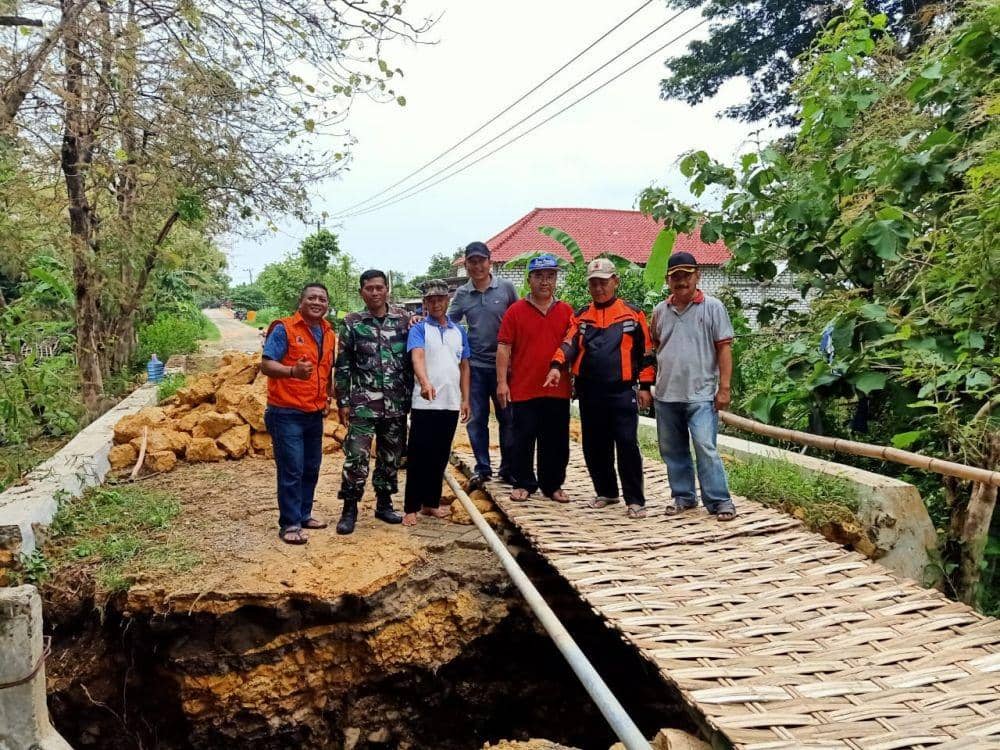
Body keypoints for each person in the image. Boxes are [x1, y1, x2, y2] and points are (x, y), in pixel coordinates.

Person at [543, 259, 655, 519]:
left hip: (622, 390)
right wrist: (556, 365)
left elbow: (647, 353)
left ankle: (635, 499)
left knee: (627, 443)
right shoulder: (581, 316)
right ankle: (606, 491)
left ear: (615, 281)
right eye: (593, 283)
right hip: (589, 390)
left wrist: (646, 386)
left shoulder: (632, 314)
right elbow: (569, 343)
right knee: (595, 444)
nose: (599, 287)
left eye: (603, 282)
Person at [650, 251, 737, 521]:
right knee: (672, 451)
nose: (681, 281)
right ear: (668, 280)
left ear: (697, 276)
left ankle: (720, 501)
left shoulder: (712, 307)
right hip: (666, 394)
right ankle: (684, 497)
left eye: (686, 275)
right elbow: (654, 348)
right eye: (675, 277)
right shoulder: (660, 311)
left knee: (705, 447)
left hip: (701, 394)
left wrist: (724, 387)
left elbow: (724, 348)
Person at [334, 270, 412, 534]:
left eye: (379, 287)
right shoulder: (352, 322)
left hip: (396, 403)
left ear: (387, 289)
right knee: (356, 457)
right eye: (369, 289)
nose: (375, 292)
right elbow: (343, 365)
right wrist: (342, 401)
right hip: (362, 404)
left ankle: (384, 503)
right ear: (362, 292)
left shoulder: (403, 320)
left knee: (390, 456)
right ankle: (350, 508)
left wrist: (411, 397)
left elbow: (413, 361)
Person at [260, 283, 336, 545]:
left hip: (313, 412)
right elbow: (266, 364)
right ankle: (289, 524)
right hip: (286, 412)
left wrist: (327, 396)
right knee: (292, 469)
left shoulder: (328, 332)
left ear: (327, 304)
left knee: (311, 468)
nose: (318, 302)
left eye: (322, 299)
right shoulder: (284, 328)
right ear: (301, 302)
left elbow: (325, 369)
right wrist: (292, 371)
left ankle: (304, 515)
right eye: (312, 298)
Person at [496, 254, 574, 503]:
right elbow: (504, 348)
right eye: (539, 276)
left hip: (558, 389)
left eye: (550, 276)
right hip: (524, 387)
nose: (545, 281)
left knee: (557, 440)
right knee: (523, 438)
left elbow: (573, 346)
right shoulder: (515, 311)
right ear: (529, 279)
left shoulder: (566, 311)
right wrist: (501, 383)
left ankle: (553, 485)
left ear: (556, 279)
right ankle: (523, 483)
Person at [447, 241, 519, 487]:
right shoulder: (462, 294)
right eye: (472, 262)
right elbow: (449, 321)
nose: (477, 266)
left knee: (508, 418)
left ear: (490, 261)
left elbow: (519, 319)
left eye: (481, 261)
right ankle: (483, 468)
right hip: (475, 367)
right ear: (466, 264)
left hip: (506, 368)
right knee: (477, 419)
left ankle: (508, 469)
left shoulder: (506, 288)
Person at [403, 280, 471, 526]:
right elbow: (417, 356)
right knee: (419, 455)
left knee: (440, 455)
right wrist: (424, 382)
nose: (436, 303)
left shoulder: (459, 331)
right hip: (425, 402)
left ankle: (430, 503)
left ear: (448, 300)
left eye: (440, 299)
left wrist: (465, 399)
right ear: (425, 303)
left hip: (451, 402)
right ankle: (410, 506)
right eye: (431, 300)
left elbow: (464, 366)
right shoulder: (419, 329)